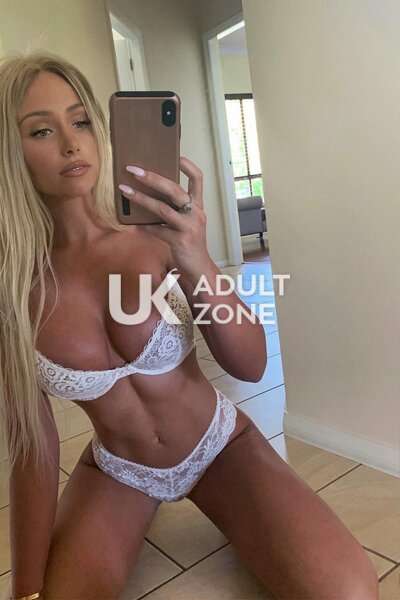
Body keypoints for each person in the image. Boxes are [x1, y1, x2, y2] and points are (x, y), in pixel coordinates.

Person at [0, 50, 378, 600]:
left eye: (80, 121)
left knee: (347, 593)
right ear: (10, 152)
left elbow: (251, 365)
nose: (71, 143)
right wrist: (25, 590)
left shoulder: (156, 235)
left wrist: (195, 256)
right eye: (41, 130)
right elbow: (32, 447)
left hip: (218, 445)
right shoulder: (13, 291)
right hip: (119, 468)